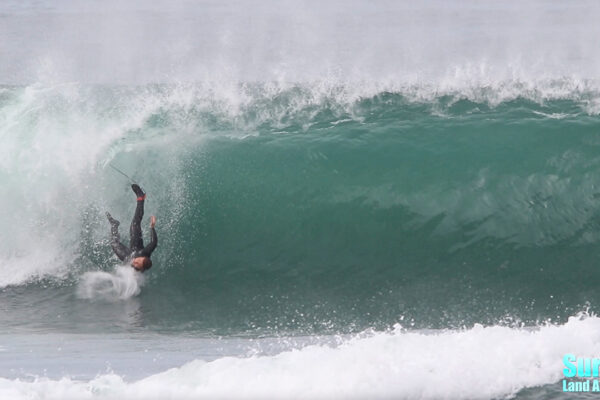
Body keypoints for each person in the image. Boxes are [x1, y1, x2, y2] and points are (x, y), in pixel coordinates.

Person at [106, 184, 157, 272]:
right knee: (135, 223)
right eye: (138, 262)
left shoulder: (137, 267)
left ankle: (115, 224)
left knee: (113, 242)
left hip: (126, 256)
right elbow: (154, 242)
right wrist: (152, 227)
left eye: (137, 266)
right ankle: (141, 197)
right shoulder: (145, 252)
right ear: (142, 258)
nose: (135, 263)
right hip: (136, 245)